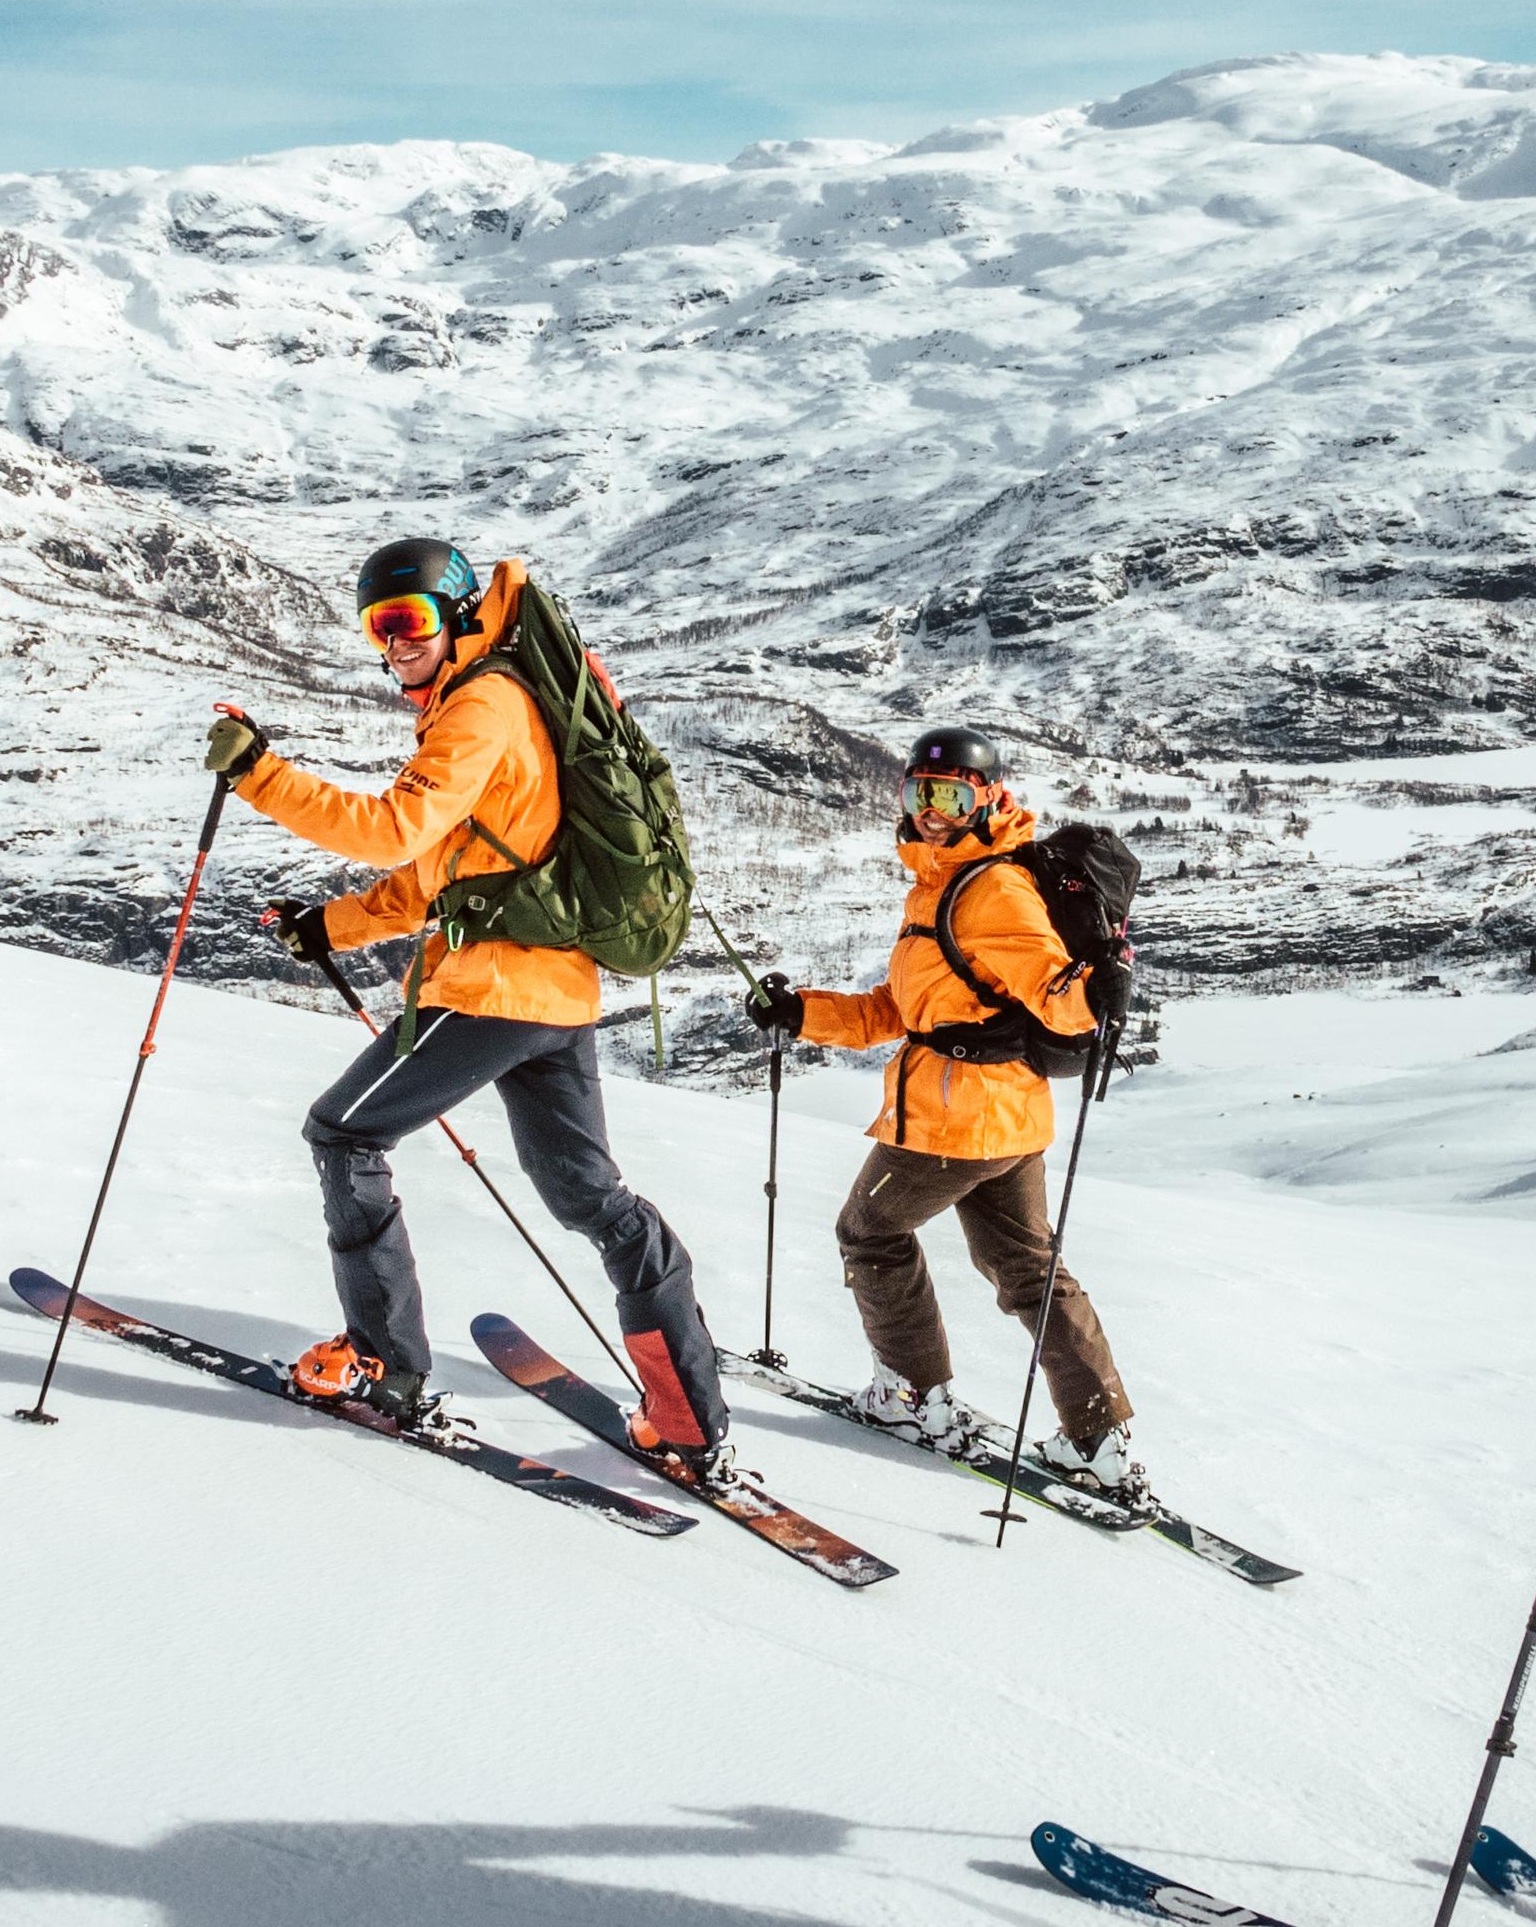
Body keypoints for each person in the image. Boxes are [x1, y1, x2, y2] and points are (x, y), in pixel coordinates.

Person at [199, 538, 740, 1472]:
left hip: (490, 992)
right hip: (552, 994)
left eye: (410, 620)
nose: (396, 642)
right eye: (380, 626)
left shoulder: (483, 705)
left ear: (456, 617)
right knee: (593, 1199)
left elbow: (394, 828)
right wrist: (331, 927)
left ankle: (381, 1366)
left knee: (344, 1136)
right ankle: (688, 1413)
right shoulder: (486, 704)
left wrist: (261, 776)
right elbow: (443, 875)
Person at [733, 727, 1142, 1488]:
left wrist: (1093, 996)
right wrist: (803, 1015)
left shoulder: (991, 888)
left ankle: (914, 1396)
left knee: (869, 1233)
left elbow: (1053, 994)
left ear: (987, 797)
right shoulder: (944, 883)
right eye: (920, 794)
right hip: (1008, 1118)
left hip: (956, 1119)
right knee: (1028, 1270)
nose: (931, 812)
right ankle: (1100, 1439)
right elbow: (905, 1009)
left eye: (950, 796)